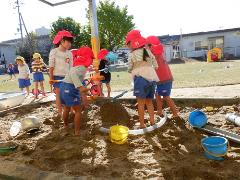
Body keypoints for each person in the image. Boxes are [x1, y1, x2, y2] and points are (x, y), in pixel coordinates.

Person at [126, 30, 159, 128]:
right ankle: (152, 121)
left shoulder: (132, 54)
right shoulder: (147, 51)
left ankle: (142, 124)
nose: (128, 47)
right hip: (152, 78)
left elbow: (129, 68)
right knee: (149, 102)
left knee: (140, 103)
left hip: (140, 79)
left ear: (132, 43)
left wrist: (130, 69)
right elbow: (155, 63)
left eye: (128, 44)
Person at [60, 47, 94, 136]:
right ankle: (77, 132)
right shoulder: (82, 68)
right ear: (87, 58)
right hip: (70, 88)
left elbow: (72, 73)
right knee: (78, 110)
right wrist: (80, 87)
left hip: (63, 86)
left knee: (67, 107)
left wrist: (82, 88)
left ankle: (65, 125)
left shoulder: (76, 66)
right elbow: (73, 75)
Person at [146, 36, 178, 118]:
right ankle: (159, 111)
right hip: (159, 80)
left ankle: (175, 113)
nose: (145, 48)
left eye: (147, 46)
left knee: (166, 97)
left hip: (165, 80)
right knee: (157, 94)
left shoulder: (156, 54)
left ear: (151, 46)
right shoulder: (155, 54)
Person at [49, 30, 74, 117]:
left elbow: (71, 67)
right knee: (59, 95)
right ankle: (60, 112)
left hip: (67, 77)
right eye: (68, 41)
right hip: (57, 77)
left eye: (71, 42)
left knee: (68, 93)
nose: (70, 44)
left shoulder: (69, 53)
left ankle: (70, 111)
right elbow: (51, 65)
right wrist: (51, 78)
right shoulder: (54, 52)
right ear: (62, 40)